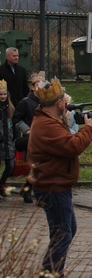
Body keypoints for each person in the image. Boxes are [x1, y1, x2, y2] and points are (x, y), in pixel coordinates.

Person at [28, 78, 92, 278]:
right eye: (63, 100)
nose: (65, 104)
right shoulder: (46, 125)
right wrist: (90, 128)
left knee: (65, 230)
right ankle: (48, 274)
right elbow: (73, 146)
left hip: (56, 183)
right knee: (63, 233)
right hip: (53, 186)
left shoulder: (46, 120)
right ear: (59, 103)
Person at [13, 71, 45, 203]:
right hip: (31, 138)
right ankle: (29, 190)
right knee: (35, 165)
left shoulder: (47, 102)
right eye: (38, 85)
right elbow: (16, 119)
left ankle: (30, 189)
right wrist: (26, 130)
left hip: (44, 137)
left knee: (40, 166)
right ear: (32, 87)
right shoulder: (26, 102)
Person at [0, 80, 15, 194]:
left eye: (5, 94)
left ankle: (1, 184)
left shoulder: (9, 108)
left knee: (10, 165)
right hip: (0, 141)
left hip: (8, 142)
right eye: (1, 94)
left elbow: (12, 125)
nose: (3, 96)